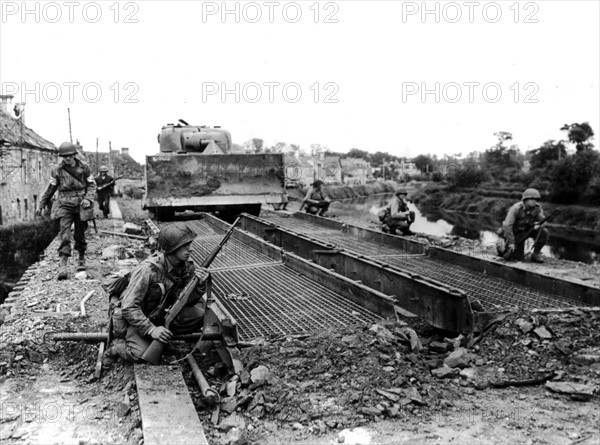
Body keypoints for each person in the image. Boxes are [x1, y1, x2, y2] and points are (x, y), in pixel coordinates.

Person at [103, 224, 209, 366]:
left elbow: (188, 302)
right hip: (136, 319)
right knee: (139, 355)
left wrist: (199, 284)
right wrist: (151, 329)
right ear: (172, 249)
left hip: (161, 314)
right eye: (185, 246)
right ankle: (117, 347)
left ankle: (163, 338)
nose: (191, 249)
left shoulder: (187, 267)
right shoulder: (148, 271)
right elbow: (129, 307)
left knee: (201, 316)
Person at [37, 142, 96, 279]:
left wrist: (88, 198)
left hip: (81, 203)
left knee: (80, 234)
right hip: (64, 204)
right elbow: (51, 189)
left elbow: (92, 185)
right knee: (64, 234)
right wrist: (41, 204)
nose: (67, 158)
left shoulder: (84, 167)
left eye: (70, 156)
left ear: (74, 155)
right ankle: (63, 264)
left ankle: (81, 257)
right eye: (64, 156)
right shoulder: (57, 170)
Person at [499, 188, 549, 263]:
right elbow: (507, 226)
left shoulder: (537, 208)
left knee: (544, 232)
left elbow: (544, 221)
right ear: (525, 199)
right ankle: (501, 247)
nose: (534, 201)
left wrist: (539, 225)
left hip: (528, 230)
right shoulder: (516, 208)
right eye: (531, 199)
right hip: (515, 233)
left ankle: (535, 255)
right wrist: (511, 242)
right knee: (516, 257)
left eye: (536, 199)